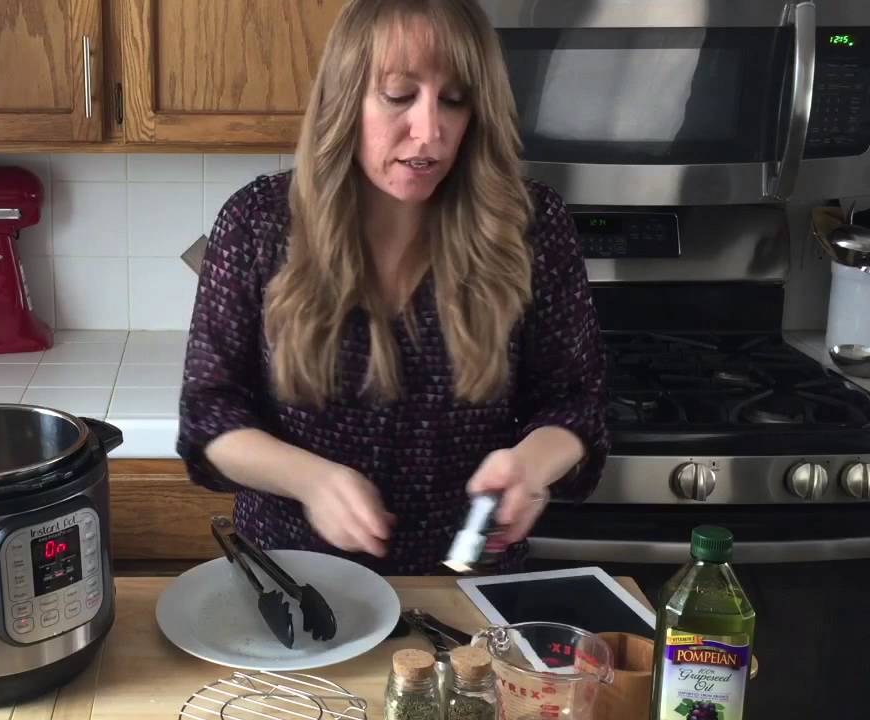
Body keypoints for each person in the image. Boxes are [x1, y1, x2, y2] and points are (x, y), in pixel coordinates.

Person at [176, 0, 609, 575]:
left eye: (454, 100)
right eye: (399, 95)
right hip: (295, 584)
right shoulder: (258, 222)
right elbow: (209, 415)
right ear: (345, 99)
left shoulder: (531, 226)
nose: (429, 131)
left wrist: (532, 462)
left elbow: (574, 402)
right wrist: (310, 480)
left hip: (466, 585)